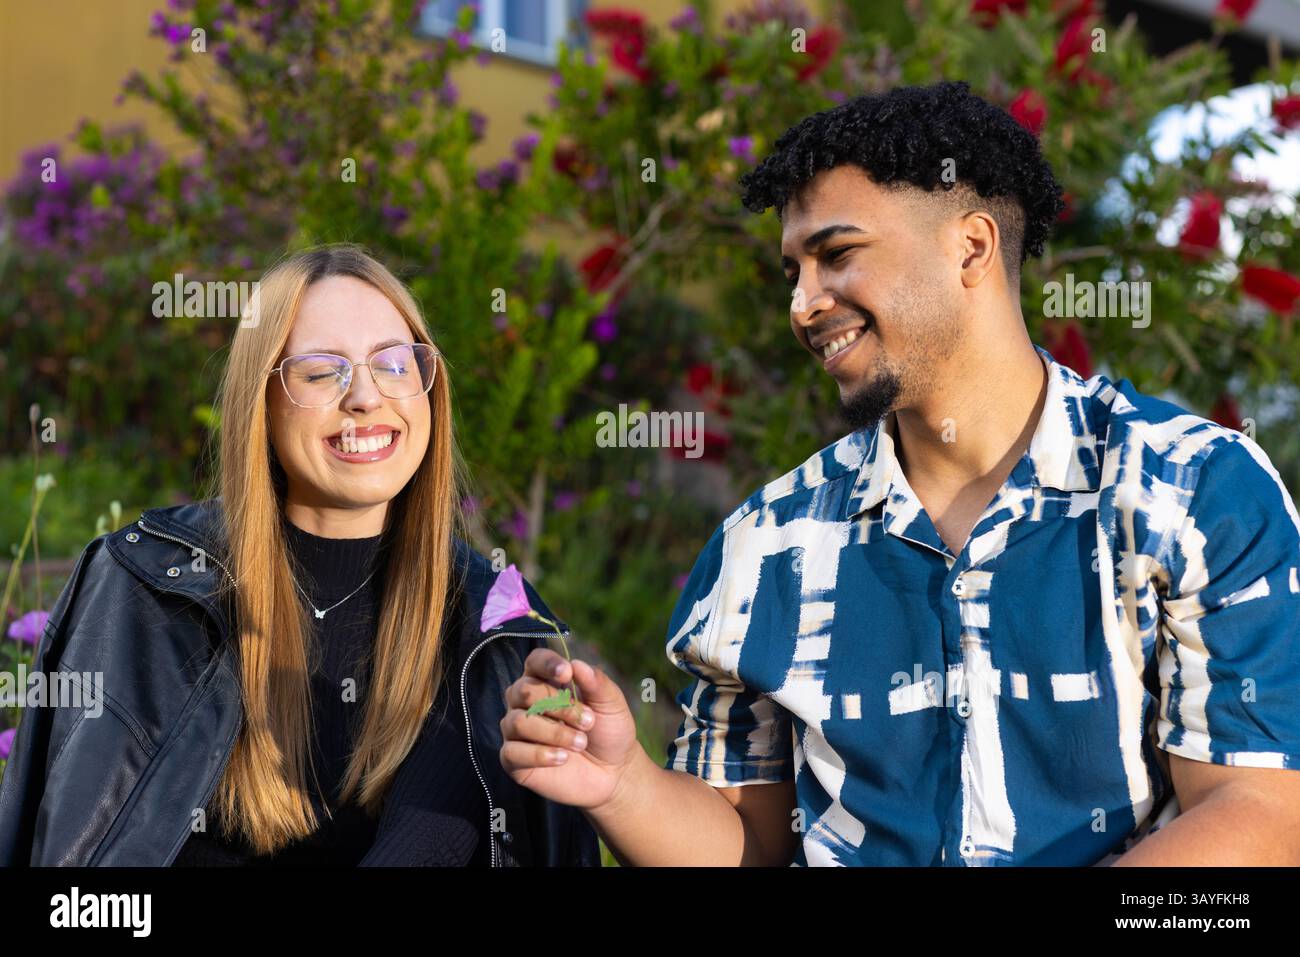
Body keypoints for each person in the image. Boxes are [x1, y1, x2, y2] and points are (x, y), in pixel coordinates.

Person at [499, 82, 1300, 866]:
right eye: (793, 271)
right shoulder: (765, 543)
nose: (803, 304)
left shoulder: (1193, 490)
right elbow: (751, 841)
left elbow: (1260, 816)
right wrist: (625, 786)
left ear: (972, 247)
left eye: (837, 254)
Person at [0, 244, 599, 867]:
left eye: (395, 364)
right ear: (260, 403)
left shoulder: (493, 632)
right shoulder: (144, 589)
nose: (366, 397)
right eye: (320, 372)